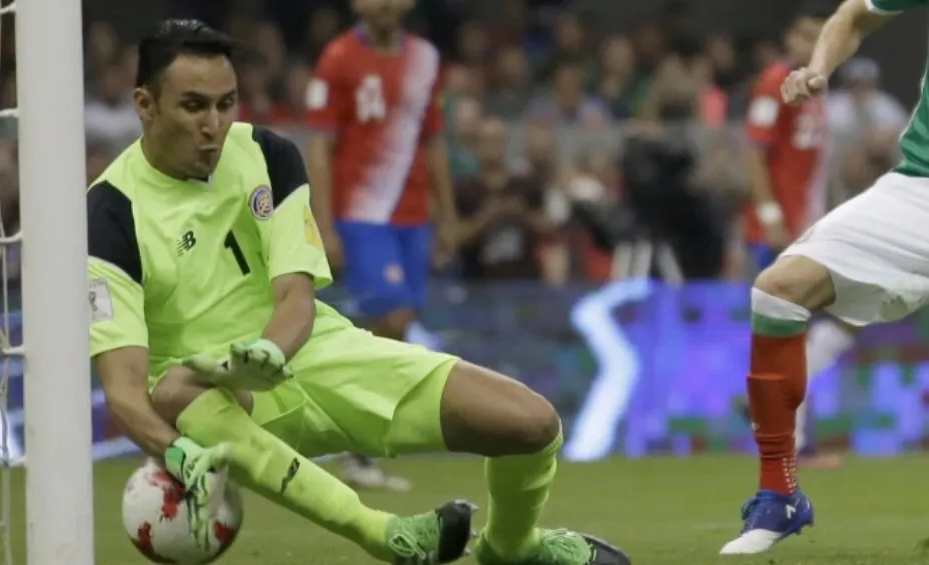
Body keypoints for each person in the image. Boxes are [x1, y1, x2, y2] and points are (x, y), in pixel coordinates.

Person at [88, 19, 630, 565]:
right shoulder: (109, 213)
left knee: (531, 424)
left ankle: (511, 548)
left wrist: (269, 352)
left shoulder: (267, 154)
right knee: (174, 390)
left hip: (313, 356)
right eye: (193, 106)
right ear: (145, 104)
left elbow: (295, 297)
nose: (214, 125)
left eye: (225, 104)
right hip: (223, 407)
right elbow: (126, 391)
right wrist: (177, 454)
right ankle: (386, 534)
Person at [721, 0, 929, 555]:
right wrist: (819, 67)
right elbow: (855, 14)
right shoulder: (772, 87)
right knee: (779, 291)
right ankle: (780, 493)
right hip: (919, 189)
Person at [304, 0, 459, 491]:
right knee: (389, 319)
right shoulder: (338, 59)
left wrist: (448, 214)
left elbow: (433, 141)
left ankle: (357, 439)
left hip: (412, 215)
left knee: (398, 326)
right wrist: (323, 224)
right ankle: (354, 444)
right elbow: (320, 145)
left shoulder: (425, 60)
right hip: (362, 212)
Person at [741, 1, 845, 471]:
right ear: (789, 38)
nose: (810, 45)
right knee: (793, 331)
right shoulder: (775, 82)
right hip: (780, 230)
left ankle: (776, 418)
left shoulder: (817, 89)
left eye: (819, 36)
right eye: (804, 35)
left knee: (822, 328)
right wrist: (769, 215)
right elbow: (754, 151)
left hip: (811, 228)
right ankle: (793, 442)